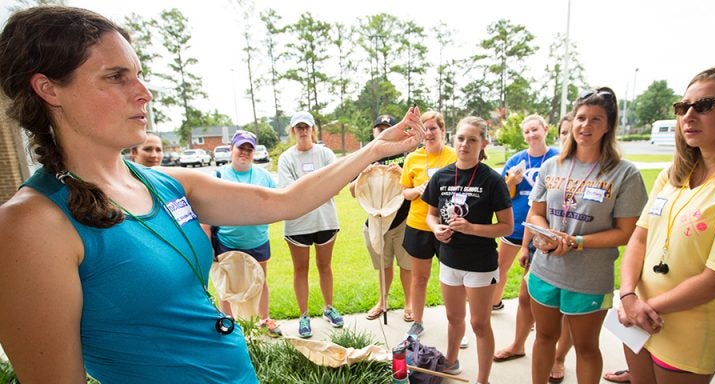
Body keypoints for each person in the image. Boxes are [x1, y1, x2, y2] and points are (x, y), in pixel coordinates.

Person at [0, 7, 424, 382]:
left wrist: (374, 149)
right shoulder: (30, 225)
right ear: (48, 89)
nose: (144, 92)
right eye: (116, 77)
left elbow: (284, 202)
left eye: (140, 74)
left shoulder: (164, 182)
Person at [618, 64, 715, 384]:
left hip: (687, 326)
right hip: (638, 313)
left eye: (704, 105)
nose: (688, 115)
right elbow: (639, 239)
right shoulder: (674, 173)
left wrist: (642, 308)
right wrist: (629, 296)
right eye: (683, 106)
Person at [527, 86, 647, 384]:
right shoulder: (552, 165)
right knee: (543, 337)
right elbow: (536, 212)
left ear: (608, 126)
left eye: (596, 119)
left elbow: (626, 232)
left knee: (585, 347)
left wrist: (577, 242)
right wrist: (548, 233)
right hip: (545, 269)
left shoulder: (624, 173)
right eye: (581, 118)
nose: (585, 126)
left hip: (589, 278)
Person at [423, 116, 513, 384]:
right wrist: (436, 228)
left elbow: (507, 226)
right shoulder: (441, 175)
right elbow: (431, 214)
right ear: (454, 139)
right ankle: (451, 363)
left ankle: (483, 379)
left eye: (472, 139)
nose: (464, 144)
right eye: (461, 138)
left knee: (479, 324)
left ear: (483, 143)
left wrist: (472, 228)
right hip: (449, 259)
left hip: (480, 263)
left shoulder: (492, 180)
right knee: (453, 318)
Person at [492, 114, 571, 384]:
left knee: (560, 305)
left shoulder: (559, 160)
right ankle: (518, 344)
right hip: (525, 231)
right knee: (526, 296)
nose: (531, 134)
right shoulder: (516, 160)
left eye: (535, 129)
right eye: (527, 131)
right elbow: (506, 195)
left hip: (556, 238)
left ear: (545, 130)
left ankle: (558, 359)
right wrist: (511, 182)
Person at [278, 111, 343, 338]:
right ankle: (304, 315)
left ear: (313, 129)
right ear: (293, 131)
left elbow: (336, 184)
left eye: (307, 127)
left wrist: (307, 189)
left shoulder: (325, 154)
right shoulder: (286, 158)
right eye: (299, 127)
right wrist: (319, 187)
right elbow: (289, 192)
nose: (303, 131)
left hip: (325, 221)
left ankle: (329, 308)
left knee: (325, 266)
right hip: (297, 225)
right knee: (300, 269)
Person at [212, 130, 282, 338]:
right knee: (227, 283)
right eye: (241, 148)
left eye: (249, 149)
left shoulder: (264, 176)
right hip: (227, 240)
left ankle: (264, 319)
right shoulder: (219, 176)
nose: (244, 152)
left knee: (260, 280)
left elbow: (275, 203)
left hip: (257, 239)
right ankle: (229, 321)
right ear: (231, 149)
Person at [349, 114, 413, 322]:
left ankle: (409, 303)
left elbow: (417, 183)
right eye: (379, 128)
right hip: (376, 223)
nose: (383, 131)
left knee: (406, 265)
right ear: (374, 132)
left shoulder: (407, 153)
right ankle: (382, 301)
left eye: (388, 127)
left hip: (404, 220)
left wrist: (402, 172)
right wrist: (362, 176)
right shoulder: (365, 156)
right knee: (384, 266)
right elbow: (351, 191)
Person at [401, 110, 457, 339]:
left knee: (452, 279)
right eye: (425, 129)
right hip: (418, 226)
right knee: (419, 278)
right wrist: (417, 191)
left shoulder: (454, 156)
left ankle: (457, 326)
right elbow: (405, 192)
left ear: (443, 131)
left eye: (434, 128)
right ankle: (417, 322)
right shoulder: (412, 158)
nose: (429, 133)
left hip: (448, 226)